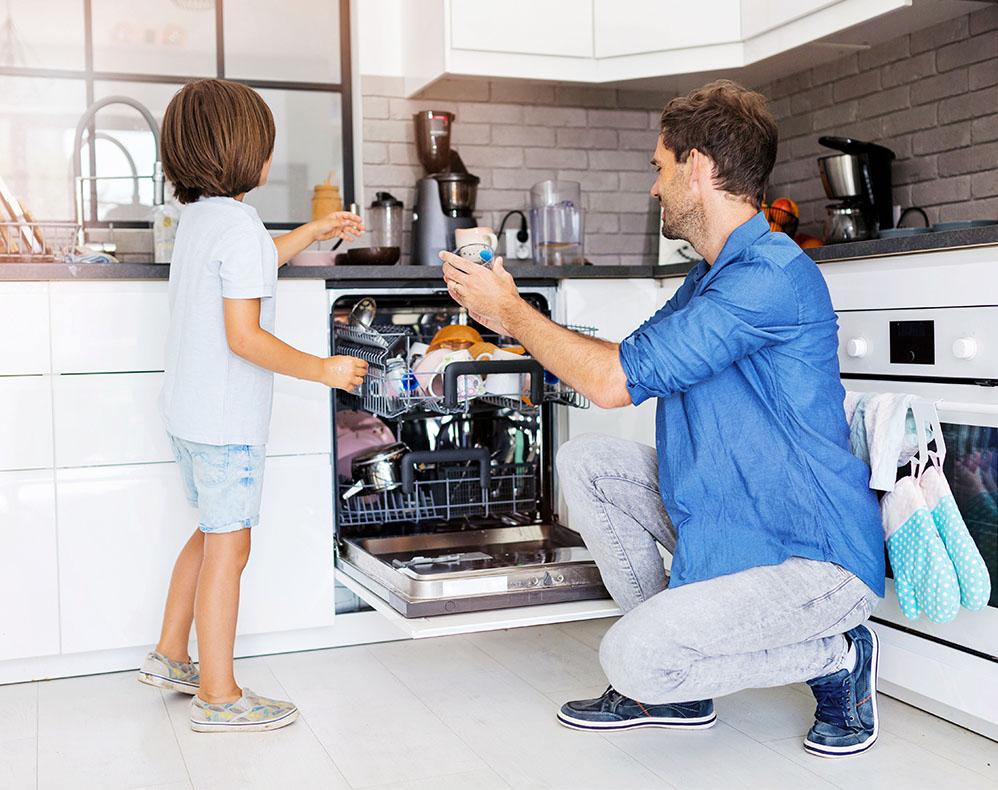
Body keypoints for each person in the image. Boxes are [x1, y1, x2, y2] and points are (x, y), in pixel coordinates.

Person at [441, 79, 886, 758]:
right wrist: (511, 318)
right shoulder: (706, 278)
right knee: (588, 464)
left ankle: (834, 656)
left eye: (660, 166)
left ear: (700, 166)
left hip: (811, 556)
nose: (655, 188)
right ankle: (677, 682)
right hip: (736, 526)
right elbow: (624, 360)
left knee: (633, 659)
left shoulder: (766, 278)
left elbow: (616, 383)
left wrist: (512, 314)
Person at [136, 79, 368, 733]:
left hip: (188, 414)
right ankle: (219, 695)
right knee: (229, 551)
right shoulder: (235, 225)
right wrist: (321, 368)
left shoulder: (203, 220)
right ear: (247, 154)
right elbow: (245, 336)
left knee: (212, 534)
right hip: (226, 421)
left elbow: (253, 263)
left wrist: (313, 231)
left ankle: (170, 655)